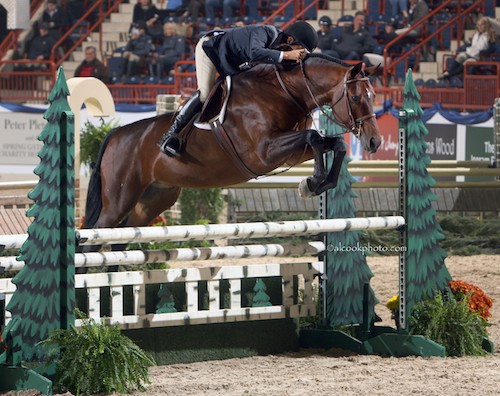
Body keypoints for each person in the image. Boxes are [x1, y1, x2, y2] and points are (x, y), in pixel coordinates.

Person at [157, 21, 318, 157]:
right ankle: (170, 134)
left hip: (232, 63)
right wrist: (287, 56)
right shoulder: (265, 32)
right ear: (290, 39)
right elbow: (255, 52)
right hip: (211, 49)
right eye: (299, 49)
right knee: (205, 93)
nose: (298, 54)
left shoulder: (280, 48)